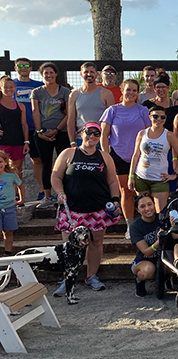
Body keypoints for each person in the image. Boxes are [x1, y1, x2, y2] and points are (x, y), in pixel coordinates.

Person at [51, 122, 122, 293]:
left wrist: (115, 200)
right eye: (88, 132)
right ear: (81, 133)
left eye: (96, 134)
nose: (92, 137)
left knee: (96, 242)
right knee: (70, 245)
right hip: (72, 209)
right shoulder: (68, 153)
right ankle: (68, 278)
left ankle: (92, 276)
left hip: (97, 209)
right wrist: (60, 192)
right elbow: (55, 175)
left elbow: (112, 181)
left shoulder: (105, 157)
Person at [100, 79, 151, 236]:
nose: (131, 93)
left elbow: (150, 133)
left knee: (143, 193)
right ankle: (130, 226)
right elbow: (104, 135)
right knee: (126, 191)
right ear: (122, 90)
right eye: (128, 90)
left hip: (141, 157)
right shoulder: (112, 110)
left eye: (134, 90)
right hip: (118, 156)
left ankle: (146, 225)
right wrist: (106, 157)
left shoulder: (142, 110)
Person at [129, 105, 178, 212]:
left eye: (162, 117)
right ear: (150, 117)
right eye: (155, 116)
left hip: (160, 179)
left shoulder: (169, 135)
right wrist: (131, 176)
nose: (159, 119)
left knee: (161, 213)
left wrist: (175, 174)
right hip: (141, 177)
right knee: (145, 211)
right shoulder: (142, 133)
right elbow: (136, 155)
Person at [30, 62, 71, 207]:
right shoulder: (37, 92)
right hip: (43, 134)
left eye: (51, 72)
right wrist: (40, 131)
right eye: (45, 73)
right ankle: (47, 197)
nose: (49, 75)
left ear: (56, 74)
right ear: (42, 75)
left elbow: (69, 113)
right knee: (46, 164)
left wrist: (57, 130)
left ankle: (66, 195)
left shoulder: (65, 91)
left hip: (62, 133)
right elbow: (35, 112)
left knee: (64, 165)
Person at [12, 57, 44, 200]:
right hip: (15, 129)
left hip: (34, 128)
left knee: (37, 161)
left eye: (26, 65)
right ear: (15, 68)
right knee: (14, 165)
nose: (23, 68)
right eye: (20, 65)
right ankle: (14, 195)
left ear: (31, 68)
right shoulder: (9, 85)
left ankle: (42, 191)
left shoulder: (39, 85)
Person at [67, 63, 115, 148]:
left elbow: (113, 119)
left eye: (92, 72)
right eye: (86, 72)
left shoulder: (106, 94)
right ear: (81, 74)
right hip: (81, 139)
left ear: (96, 74)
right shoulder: (74, 95)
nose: (89, 74)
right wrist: (72, 142)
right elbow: (71, 120)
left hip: (100, 139)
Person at [0, 76, 29, 204]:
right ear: (1, 88)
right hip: (2, 142)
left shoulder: (20, 106)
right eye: (5, 87)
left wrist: (26, 142)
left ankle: (15, 197)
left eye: (11, 87)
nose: (8, 89)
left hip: (18, 141)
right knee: (2, 169)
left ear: (15, 88)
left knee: (17, 170)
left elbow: (24, 125)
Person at [129, 193, 161, 297]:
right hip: (144, 259)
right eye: (142, 206)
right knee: (148, 270)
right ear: (137, 210)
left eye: (149, 204)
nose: (147, 208)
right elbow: (146, 252)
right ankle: (139, 280)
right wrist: (157, 243)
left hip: (163, 257)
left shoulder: (162, 218)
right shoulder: (135, 227)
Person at [0, 151, 21, 255]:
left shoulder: (11, 175)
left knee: (9, 230)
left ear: (5, 162)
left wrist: (21, 199)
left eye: (0, 162)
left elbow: (20, 186)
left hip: (9, 207)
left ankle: (8, 252)